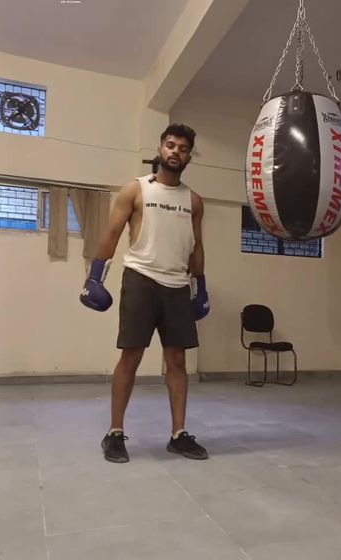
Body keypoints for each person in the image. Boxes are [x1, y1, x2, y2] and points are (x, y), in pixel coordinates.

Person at [80, 124, 210, 463]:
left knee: (177, 361)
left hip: (177, 285)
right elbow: (111, 234)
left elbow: (196, 246)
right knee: (131, 356)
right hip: (141, 279)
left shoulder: (193, 201)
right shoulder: (136, 190)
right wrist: (95, 277)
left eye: (183, 148)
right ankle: (114, 433)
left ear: (189, 156)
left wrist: (200, 286)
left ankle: (178, 434)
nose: (175, 152)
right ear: (161, 148)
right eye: (171, 145)